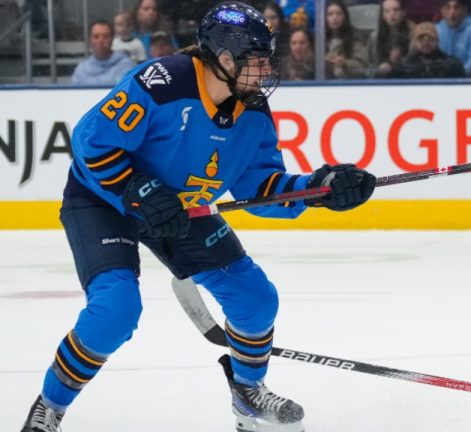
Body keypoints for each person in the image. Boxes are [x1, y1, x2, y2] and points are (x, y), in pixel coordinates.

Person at [19, 2, 375, 431]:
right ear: (225, 59)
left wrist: (319, 189)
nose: (265, 72)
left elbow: (258, 189)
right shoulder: (163, 83)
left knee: (255, 299)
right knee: (116, 310)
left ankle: (248, 396)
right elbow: (91, 140)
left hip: (181, 209)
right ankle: (50, 408)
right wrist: (138, 188)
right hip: (104, 202)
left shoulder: (253, 112)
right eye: (257, 61)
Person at [390, 21, 465, 78]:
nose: (426, 42)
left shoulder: (452, 65)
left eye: (430, 39)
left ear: (437, 41)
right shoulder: (404, 66)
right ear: (414, 42)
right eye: (421, 39)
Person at [71, 20, 136, 85]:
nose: (101, 40)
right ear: (90, 40)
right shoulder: (82, 69)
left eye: (105, 36)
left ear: (112, 39)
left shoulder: (127, 66)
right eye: (96, 37)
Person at [435, 0, 471, 75]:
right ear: (442, 10)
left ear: (465, 10)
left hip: (467, 82)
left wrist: (458, 75)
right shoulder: (436, 30)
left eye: (456, 7)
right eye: (448, 7)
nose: (452, 12)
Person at [367, 0, 413, 78]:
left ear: (403, 12)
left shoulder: (412, 35)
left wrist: (398, 61)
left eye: (396, 10)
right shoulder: (374, 37)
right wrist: (381, 68)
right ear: (382, 16)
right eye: (387, 11)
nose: (392, 14)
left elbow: (415, 65)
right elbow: (370, 67)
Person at [325, 0, 369, 79]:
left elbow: (363, 66)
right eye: (330, 14)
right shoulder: (320, 40)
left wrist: (345, 63)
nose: (334, 17)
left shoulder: (355, 39)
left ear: (345, 17)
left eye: (338, 13)